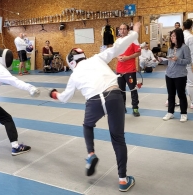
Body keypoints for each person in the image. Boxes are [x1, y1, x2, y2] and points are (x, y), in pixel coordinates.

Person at [48, 22, 142, 192]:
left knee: (87, 125)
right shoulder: (97, 57)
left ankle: (90, 154)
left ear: (71, 63)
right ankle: (122, 180)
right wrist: (134, 33)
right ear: (83, 56)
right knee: (118, 138)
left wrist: (53, 94)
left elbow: (64, 98)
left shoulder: (75, 74)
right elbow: (119, 46)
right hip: (114, 96)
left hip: (94, 102)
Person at [159, 28, 191, 122]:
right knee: (170, 95)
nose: (172, 38)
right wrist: (162, 61)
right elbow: (169, 61)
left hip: (180, 75)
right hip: (169, 74)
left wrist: (178, 59)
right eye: (171, 36)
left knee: (181, 94)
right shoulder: (170, 48)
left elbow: (188, 61)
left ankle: (183, 113)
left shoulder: (185, 47)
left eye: (174, 36)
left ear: (179, 37)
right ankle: (170, 112)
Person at [116, 23, 141, 117]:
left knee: (133, 89)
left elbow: (138, 53)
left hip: (130, 70)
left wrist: (128, 57)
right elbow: (115, 52)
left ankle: (135, 108)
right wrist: (118, 57)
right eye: (120, 29)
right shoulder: (117, 41)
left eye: (124, 29)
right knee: (121, 91)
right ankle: (122, 108)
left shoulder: (133, 40)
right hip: (119, 70)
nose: (122, 31)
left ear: (127, 30)